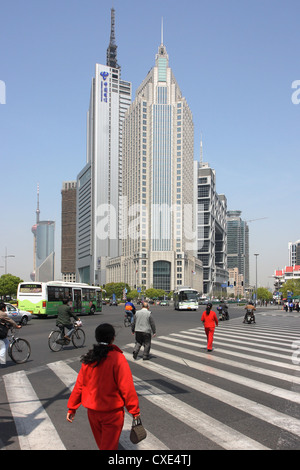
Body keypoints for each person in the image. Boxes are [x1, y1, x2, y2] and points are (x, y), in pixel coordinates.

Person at [66, 323, 140, 450]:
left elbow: (79, 385)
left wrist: (72, 408)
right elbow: (126, 388)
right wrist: (134, 411)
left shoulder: (90, 358)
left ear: (96, 337)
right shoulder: (117, 358)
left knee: (103, 446)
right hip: (112, 414)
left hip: (93, 413)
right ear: (112, 338)